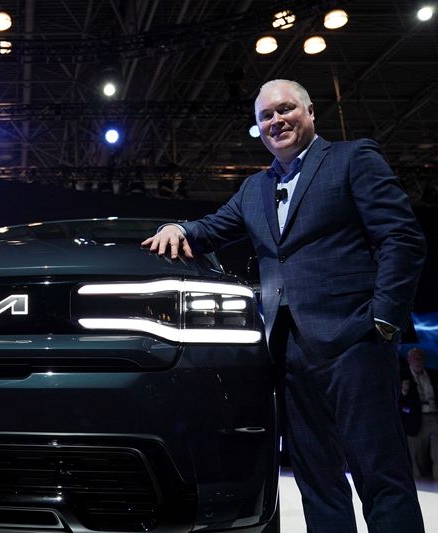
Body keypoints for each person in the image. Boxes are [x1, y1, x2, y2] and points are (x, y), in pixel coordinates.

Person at [142, 79, 426, 531]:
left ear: (310, 112)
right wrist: (177, 226)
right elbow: (212, 228)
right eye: (265, 116)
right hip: (288, 353)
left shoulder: (353, 159)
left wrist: (385, 319)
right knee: (316, 480)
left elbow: (402, 238)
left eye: (285, 109)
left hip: (356, 340)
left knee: (381, 474)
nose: (276, 121)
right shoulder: (255, 188)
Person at [399, 347, 438, 480]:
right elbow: (397, 401)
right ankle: (418, 483)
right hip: (413, 419)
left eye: (420, 357)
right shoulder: (402, 376)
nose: (418, 360)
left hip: (434, 416)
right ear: (409, 360)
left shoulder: (434, 375)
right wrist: (403, 393)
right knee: (416, 455)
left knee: (436, 450)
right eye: (415, 357)